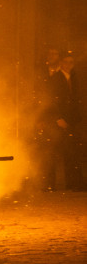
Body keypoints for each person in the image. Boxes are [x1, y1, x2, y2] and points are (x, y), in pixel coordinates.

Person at [48, 52, 83, 191]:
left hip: (71, 120)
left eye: (71, 63)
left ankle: (73, 183)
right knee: (56, 150)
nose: (69, 65)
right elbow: (51, 99)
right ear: (61, 63)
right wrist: (57, 118)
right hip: (60, 120)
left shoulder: (74, 78)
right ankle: (51, 183)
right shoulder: (56, 79)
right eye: (66, 62)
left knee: (72, 151)